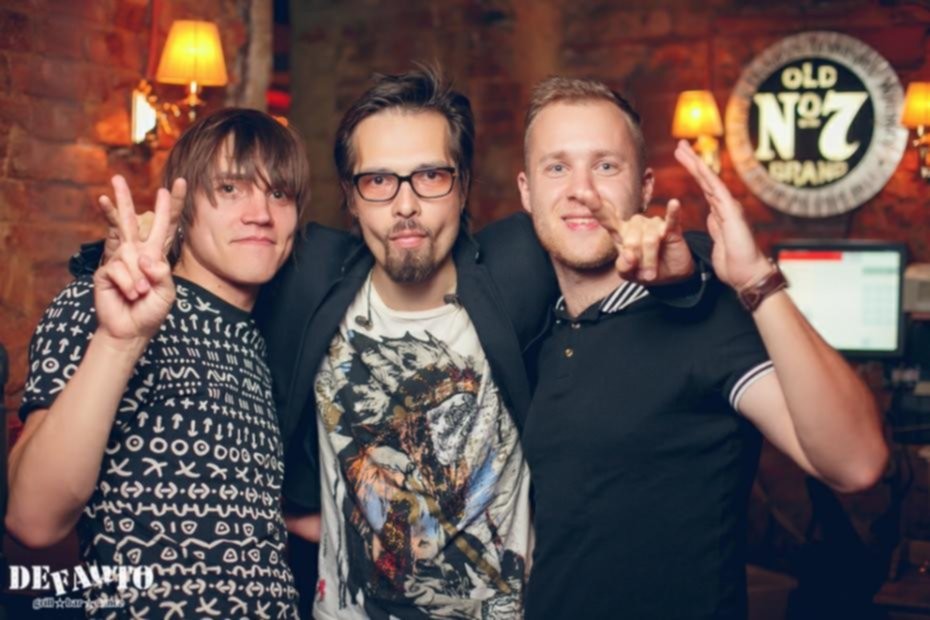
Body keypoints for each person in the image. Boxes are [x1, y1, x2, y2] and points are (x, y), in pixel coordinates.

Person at [259, 66, 707, 618]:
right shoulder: (310, 278)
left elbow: (644, 248)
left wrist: (690, 272)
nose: (405, 205)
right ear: (351, 198)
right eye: (377, 181)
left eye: (431, 176)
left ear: (464, 186)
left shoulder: (518, 268)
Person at [515, 76, 889, 619]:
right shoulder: (540, 328)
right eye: (557, 167)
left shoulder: (705, 320)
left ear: (644, 188)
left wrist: (755, 279)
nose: (582, 190)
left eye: (606, 165)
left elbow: (856, 463)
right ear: (526, 191)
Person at [7, 109, 305, 618]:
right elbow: (33, 519)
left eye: (279, 193)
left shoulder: (265, 341)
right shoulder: (103, 304)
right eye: (230, 188)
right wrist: (119, 340)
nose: (261, 212)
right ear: (184, 208)